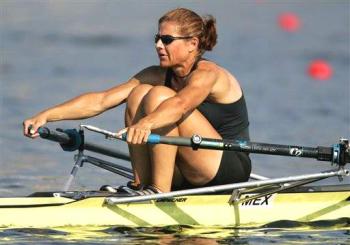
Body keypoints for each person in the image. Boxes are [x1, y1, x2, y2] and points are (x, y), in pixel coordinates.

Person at [23, 8, 251, 194]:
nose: (158, 45)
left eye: (167, 40)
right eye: (158, 38)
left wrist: (145, 123)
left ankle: (158, 191)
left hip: (226, 168)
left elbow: (180, 105)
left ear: (192, 43)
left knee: (159, 96)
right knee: (138, 93)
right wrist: (46, 115)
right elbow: (102, 100)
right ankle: (141, 185)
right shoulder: (157, 74)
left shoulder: (209, 74)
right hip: (189, 166)